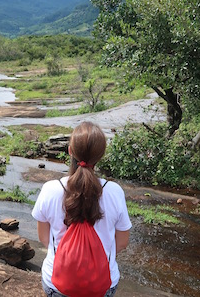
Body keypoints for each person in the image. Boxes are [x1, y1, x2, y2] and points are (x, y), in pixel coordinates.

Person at [32, 121, 132, 297]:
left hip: (57, 284)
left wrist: (72, 257)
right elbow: (122, 243)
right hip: (102, 285)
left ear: (70, 151)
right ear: (100, 155)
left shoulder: (51, 189)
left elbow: (44, 238)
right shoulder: (114, 191)